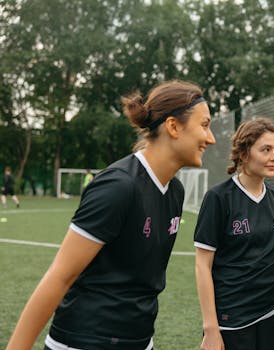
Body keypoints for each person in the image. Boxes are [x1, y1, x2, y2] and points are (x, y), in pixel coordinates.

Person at [6, 79, 216, 350]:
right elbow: (60, 276)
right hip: (85, 342)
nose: (210, 138)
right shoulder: (119, 186)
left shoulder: (174, 191)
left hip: (139, 341)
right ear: (173, 126)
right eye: (205, 125)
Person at [194, 117, 274, 350]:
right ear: (245, 153)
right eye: (266, 150)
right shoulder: (219, 198)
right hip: (234, 314)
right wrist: (210, 329)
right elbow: (202, 265)